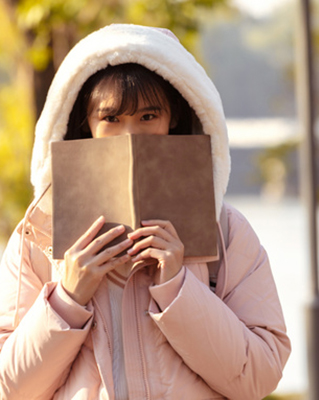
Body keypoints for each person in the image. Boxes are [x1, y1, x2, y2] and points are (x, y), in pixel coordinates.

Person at [0, 24, 291, 399]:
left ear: (175, 120)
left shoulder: (225, 229)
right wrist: (68, 300)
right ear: (84, 125)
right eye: (111, 119)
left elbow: (260, 376)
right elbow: (10, 387)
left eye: (148, 117)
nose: (130, 136)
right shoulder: (38, 238)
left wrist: (177, 288)